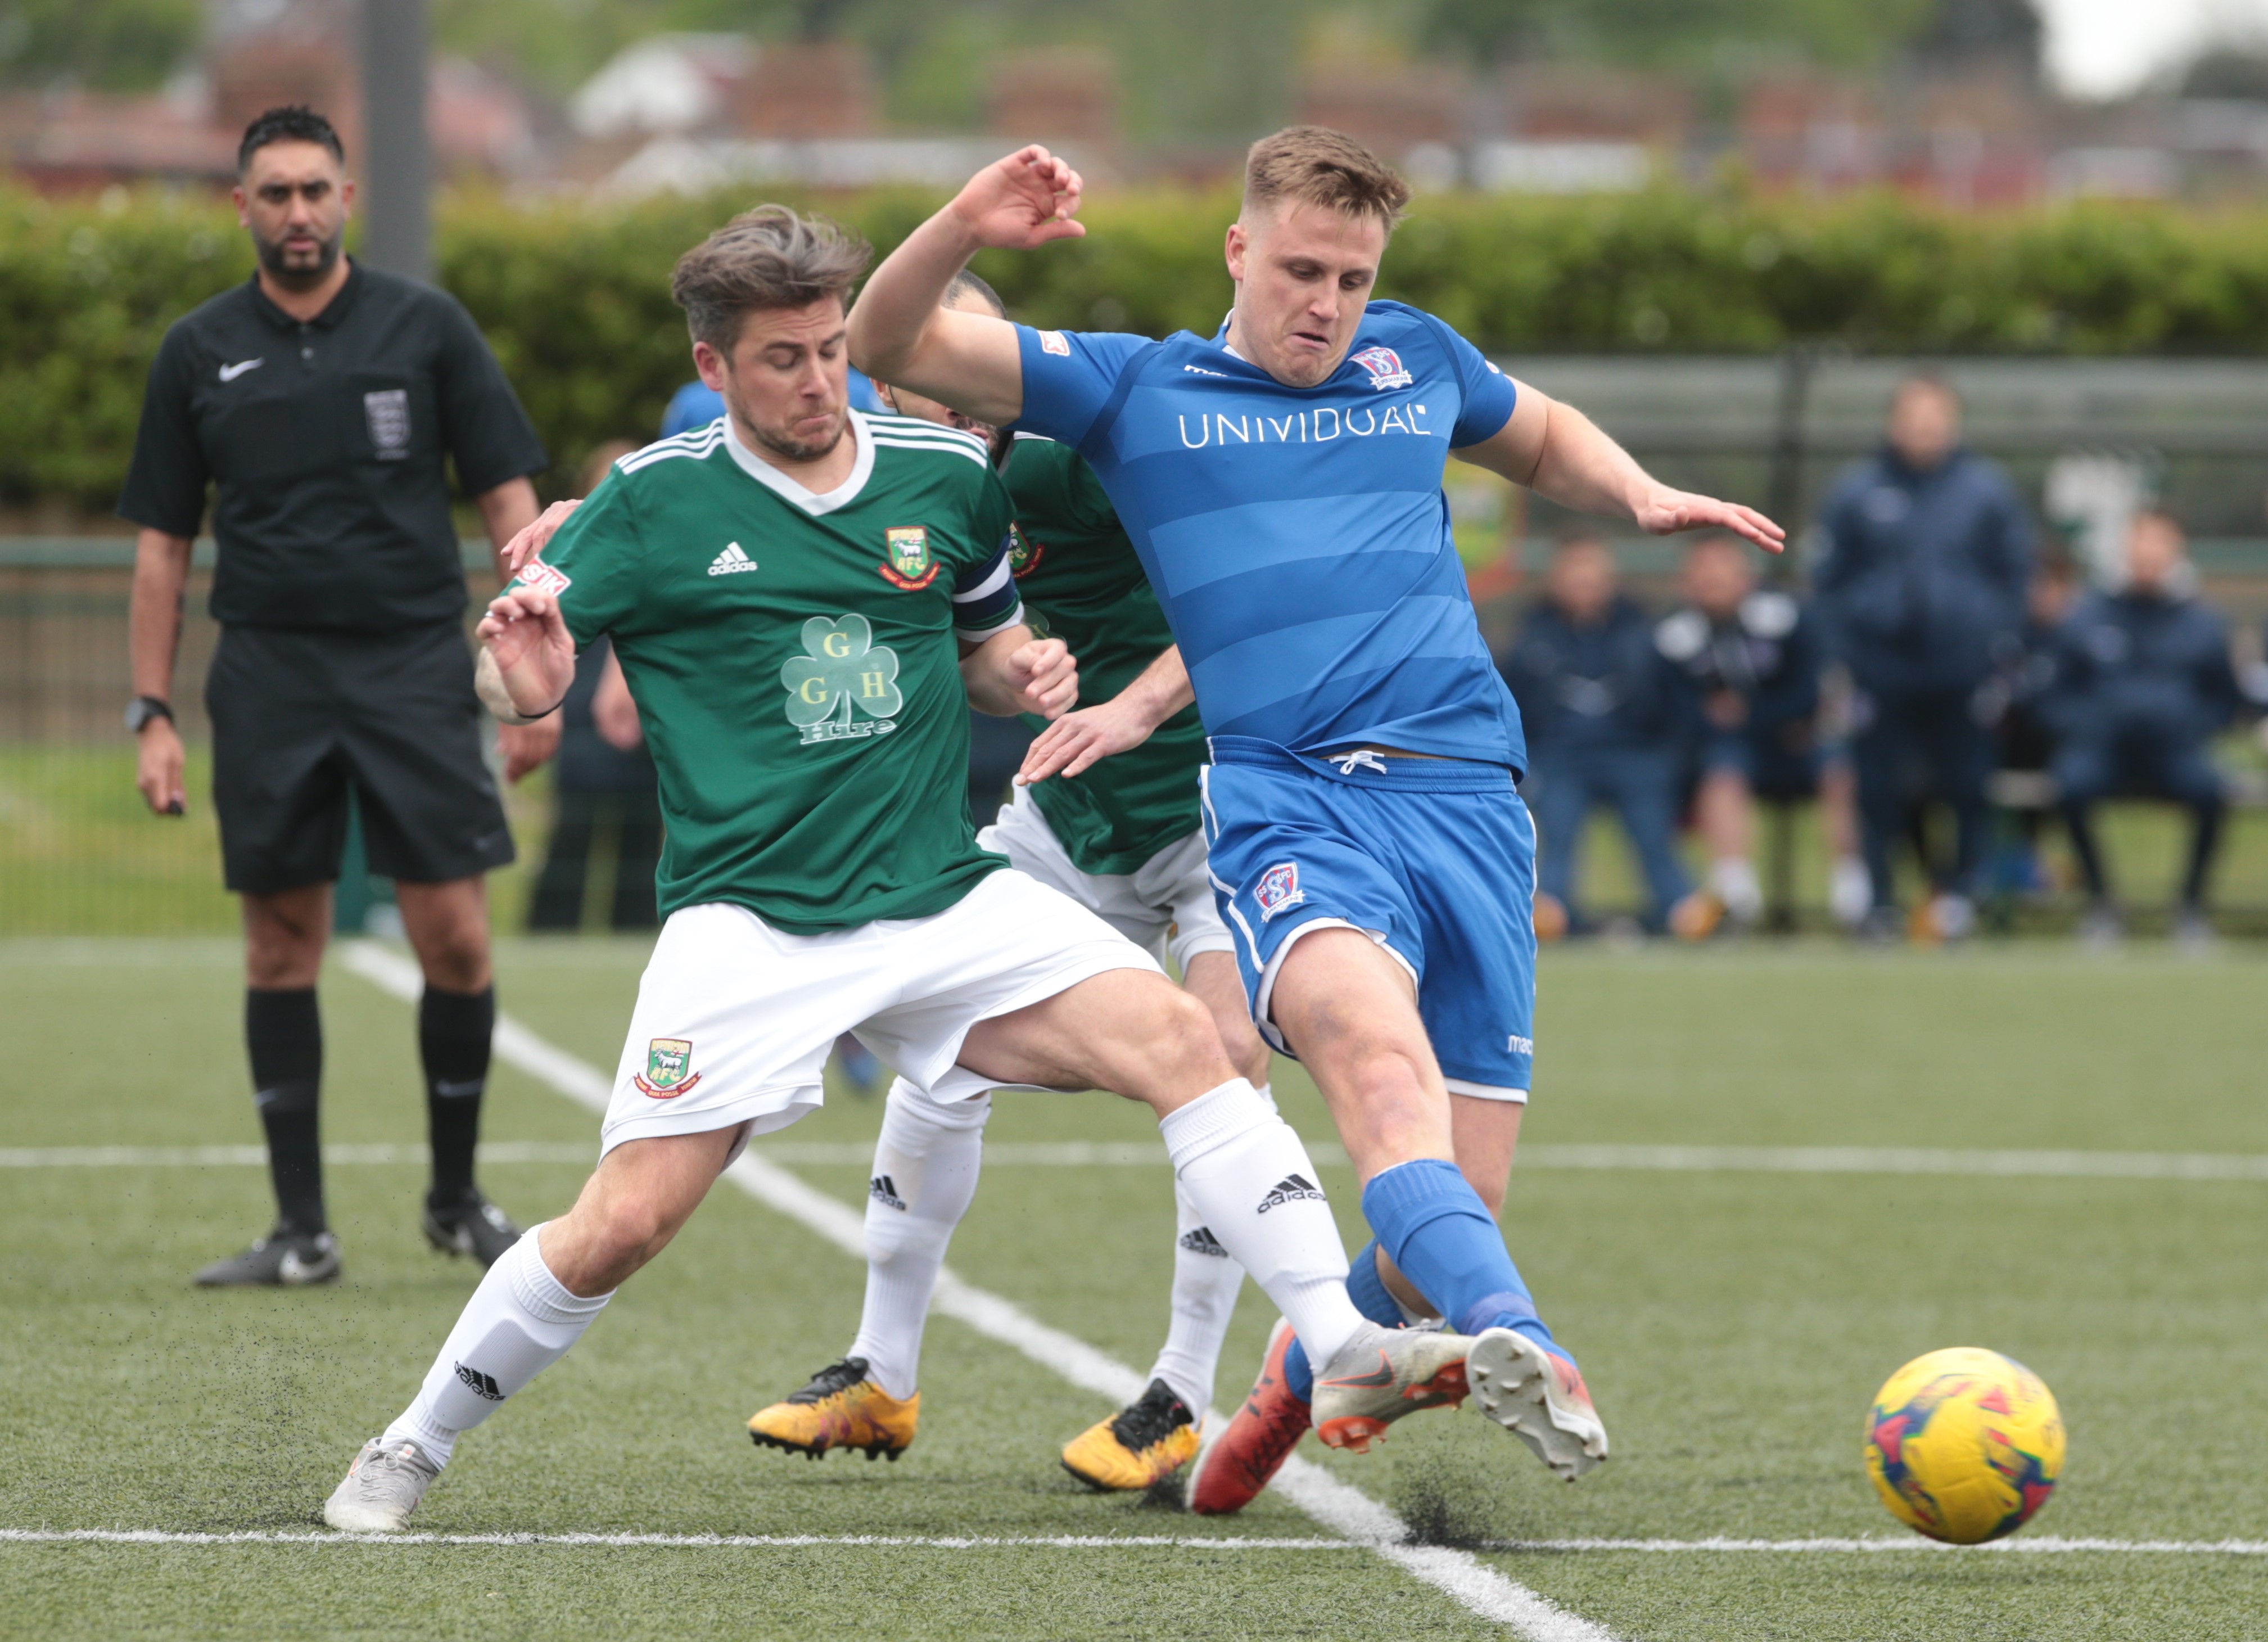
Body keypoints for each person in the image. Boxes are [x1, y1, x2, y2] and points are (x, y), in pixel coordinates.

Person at [322, 204, 1483, 1534]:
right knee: (624, 1225)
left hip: (941, 898)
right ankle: (410, 1446)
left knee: (1191, 1047)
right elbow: (518, 672)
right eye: (781, 360)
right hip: (753, 928)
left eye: (830, 351)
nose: (817, 381)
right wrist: (519, 671)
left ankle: (1338, 1343)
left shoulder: (943, 475)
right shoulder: (652, 500)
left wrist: (1025, 671)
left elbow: (984, 647)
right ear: (713, 369)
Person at [843, 130, 1781, 1512]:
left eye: (1349, 277)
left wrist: (1631, 488)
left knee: (1445, 1216)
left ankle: (1298, 1373)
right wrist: (971, 220)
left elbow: (1539, 431)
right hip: (1292, 801)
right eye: (1298, 270)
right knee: (1369, 1070)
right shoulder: (1132, 389)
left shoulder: (1416, 360)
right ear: (1239, 251)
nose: (1324, 304)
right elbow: (890, 335)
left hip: (1470, 803)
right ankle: (1523, 1341)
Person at [742, 272, 1275, 1494]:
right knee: (938, 1037)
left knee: (1223, 1059)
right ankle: (880, 1374)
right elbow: (726, 505)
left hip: (1212, 809)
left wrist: (1133, 707)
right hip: (1061, 813)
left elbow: (1248, 596)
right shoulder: (881, 471)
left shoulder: (1078, 455)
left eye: (977, 340)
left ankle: (1181, 1391)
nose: (963, 366)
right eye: (927, 349)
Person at [119, 106, 550, 1286]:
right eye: (275, 194)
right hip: (266, 672)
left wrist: (535, 680)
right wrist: (151, 711)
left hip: (413, 665)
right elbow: (162, 545)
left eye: (315, 190)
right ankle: (301, 1230)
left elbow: (509, 502)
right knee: (278, 944)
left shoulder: (426, 327)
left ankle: (457, 1200)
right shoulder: (198, 349)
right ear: (243, 206)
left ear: (346, 197)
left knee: (454, 936)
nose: (297, 213)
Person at [1813, 373, 2032, 943]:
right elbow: (1828, 581)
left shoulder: (1985, 490)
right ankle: (1881, 903)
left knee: (1965, 785)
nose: (1923, 430)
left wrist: (1991, 642)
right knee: (1876, 788)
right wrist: (1846, 651)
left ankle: (1957, 899)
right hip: (1878, 666)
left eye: (1934, 418)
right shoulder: (1856, 491)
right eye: (1913, 417)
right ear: (1894, 422)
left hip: (1961, 666)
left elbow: (2014, 575)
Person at [2044, 511, 2240, 948]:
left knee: (2211, 791)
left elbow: (2226, 697)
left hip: (2175, 749)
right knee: (2071, 785)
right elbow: (2056, 692)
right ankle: (2101, 905)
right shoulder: (2089, 615)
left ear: (2176, 552)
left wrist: (2193, 726)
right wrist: (2087, 724)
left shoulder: (2202, 622)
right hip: (2104, 748)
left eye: (2159, 544)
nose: (2148, 555)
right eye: (2141, 543)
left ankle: (2190, 909)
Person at [1499, 536, 1710, 939]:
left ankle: (1682, 908)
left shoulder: (1646, 634)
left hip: (1635, 754)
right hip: (1560, 759)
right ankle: (1550, 910)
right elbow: (1514, 709)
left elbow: (1673, 706)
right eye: (1574, 576)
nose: (1584, 585)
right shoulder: (1530, 638)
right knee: (1556, 829)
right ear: (1556, 581)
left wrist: (1674, 760)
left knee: (1653, 829)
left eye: (1593, 576)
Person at [1652, 533, 1826, 931]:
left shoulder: (1786, 617)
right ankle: (1736, 899)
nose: (1714, 579)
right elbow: (1675, 711)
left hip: (1791, 742)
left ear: (1746, 575)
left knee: (1840, 768)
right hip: (1718, 752)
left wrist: (1753, 715)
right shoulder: (1673, 635)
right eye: (1703, 571)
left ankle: (1860, 896)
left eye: (1723, 569)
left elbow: (1807, 692)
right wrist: (1720, 721)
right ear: (1687, 581)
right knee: (1723, 770)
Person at [527, 443, 662, 932]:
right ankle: (548, 934)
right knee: (572, 842)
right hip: (582, 727)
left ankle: (638, 930)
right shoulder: (571, 552)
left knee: (640, 852)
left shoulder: (663, 550)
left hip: (642, 736)